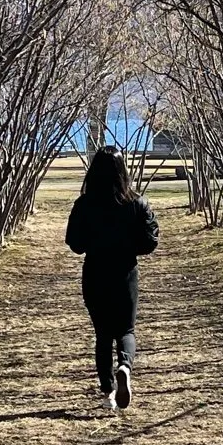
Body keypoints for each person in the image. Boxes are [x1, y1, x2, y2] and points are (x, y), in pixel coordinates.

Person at [65, 145, 159, 409]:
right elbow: (151, 241)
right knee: (126, 329)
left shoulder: (84, 204)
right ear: (123, 171)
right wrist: (129, 247)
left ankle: (108, 392)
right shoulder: (136, 203)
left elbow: (74, 243)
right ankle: (125, 367)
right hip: (126, 273)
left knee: (103, 334)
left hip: (95, 273)